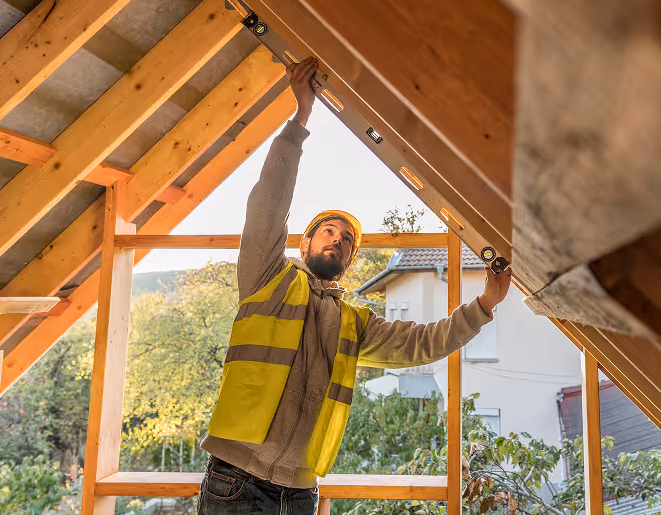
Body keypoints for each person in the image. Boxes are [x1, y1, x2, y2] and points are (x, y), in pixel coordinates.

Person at [196, 57, 512, 515]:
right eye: (329, 231)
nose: (338, 241)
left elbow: (421, 344)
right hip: (236, 480)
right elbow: (267, 204)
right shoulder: (267, 278)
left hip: (301, 492)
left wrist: (484, 304)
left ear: (348, 262)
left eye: (346, 241)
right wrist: (299, 121)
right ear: (304, 242)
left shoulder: (352, 322)